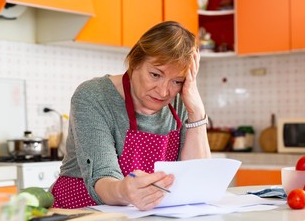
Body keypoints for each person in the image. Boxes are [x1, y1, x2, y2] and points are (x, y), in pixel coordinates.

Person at [50, 21, 211, 211]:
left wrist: (197, 112)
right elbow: (102, 177)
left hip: (144, 216)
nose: (164, 91)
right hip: (81, 212)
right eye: (155, 75)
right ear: (135, 62)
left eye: (176, 81)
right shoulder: (94, 95)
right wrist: (125, 192)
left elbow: (198, 178)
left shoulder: (181, 101)